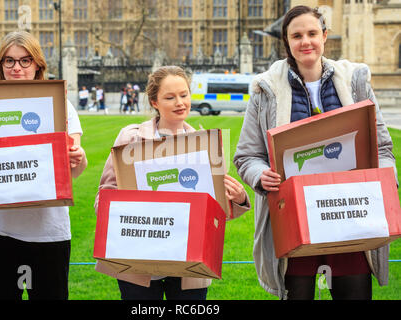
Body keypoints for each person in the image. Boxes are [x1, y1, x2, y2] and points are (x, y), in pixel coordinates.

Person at [233, 5, 396, 300]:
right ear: (287, 42)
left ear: (324, 36)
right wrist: (261, 175)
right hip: (295, 222)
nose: (305, 41)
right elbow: (247, 156)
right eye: (297, 35)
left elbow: (382, 147)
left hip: (350, 217)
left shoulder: (355, 82)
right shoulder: (265, 89)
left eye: (312, 33)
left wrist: (385, 182)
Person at [0, 31, 88, 300]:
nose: (17, 68)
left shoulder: (60, 105)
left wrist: (79, 159)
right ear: (0, 65)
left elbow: (72, 172)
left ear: (38, 64)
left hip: (48, 232)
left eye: (25, 61)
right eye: (9, 61)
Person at [94, 65, 250, 300]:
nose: (180, 102)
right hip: (139, 261)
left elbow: (217, 214)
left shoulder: (206, 144)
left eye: (184, 94)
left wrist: (237, 198)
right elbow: (104, 196)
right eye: (170, 97)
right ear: (154, 102)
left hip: (190, 262)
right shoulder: (131, 137)